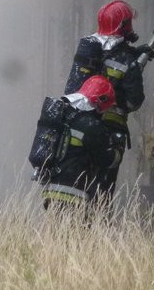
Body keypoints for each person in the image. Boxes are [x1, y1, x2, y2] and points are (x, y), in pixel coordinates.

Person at [64, 0, 153, 203]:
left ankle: (74, 225)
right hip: (111, 133)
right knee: (103, 188)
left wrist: (134, 53)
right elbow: (134, 102)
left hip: (80, 127)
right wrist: (135, 68)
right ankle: (98, 226)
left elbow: (73, 89)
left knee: (81, 181)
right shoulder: (127, 61)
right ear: (125, 25)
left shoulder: (90, 49)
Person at [41, 75, 120, 211]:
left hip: (50, 189)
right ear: (100, 101)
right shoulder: (91, 125)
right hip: (73, 192)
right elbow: (106, 160)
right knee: (73, 231)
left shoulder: (64, 114)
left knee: (54, 231)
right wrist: (117, 149)